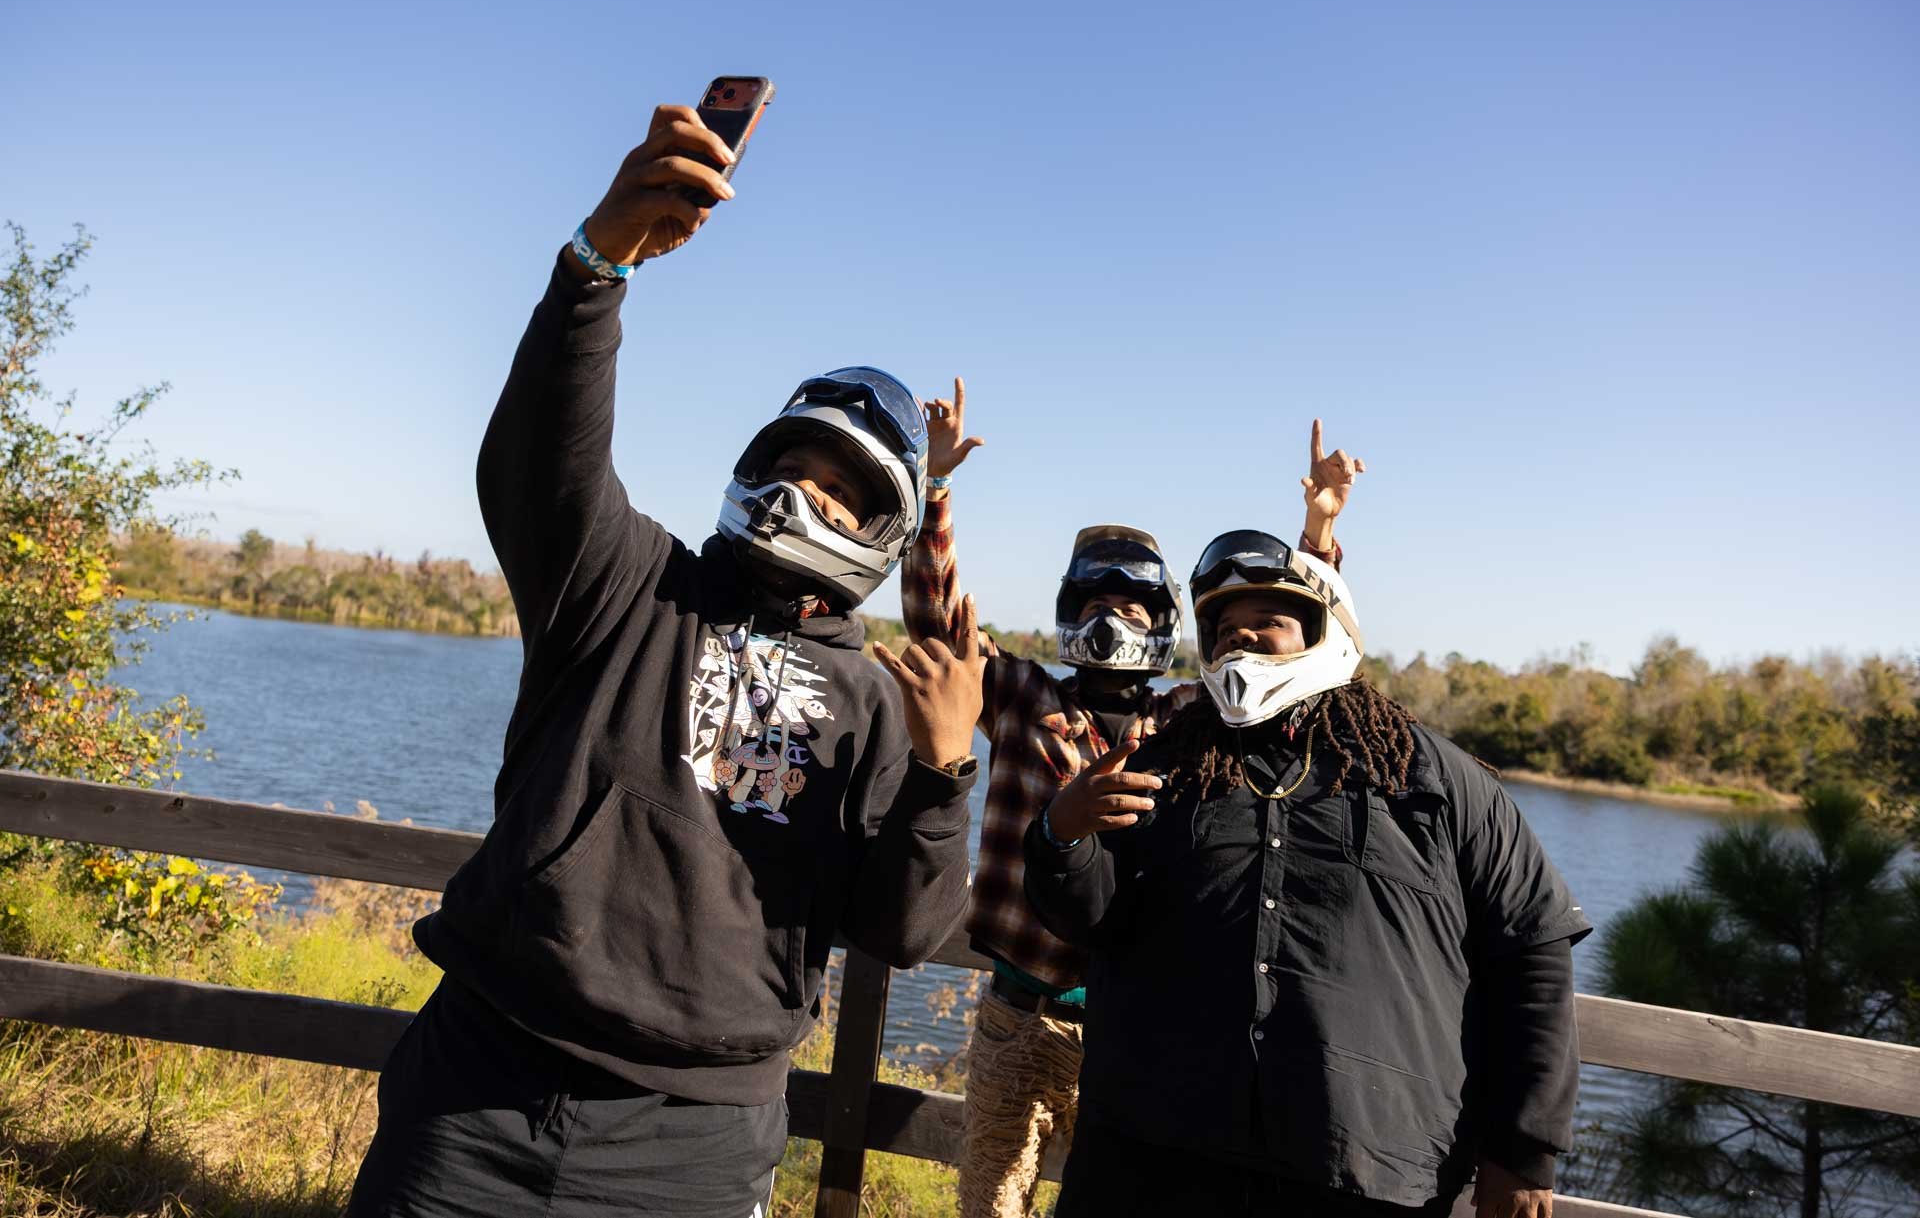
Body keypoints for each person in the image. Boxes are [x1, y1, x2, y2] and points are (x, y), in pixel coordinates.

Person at [347, 104, 984, 1218]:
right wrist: (596, 268)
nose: (804, 491)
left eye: (841, 485)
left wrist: (942, 775)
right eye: (788, 461)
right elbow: (548, 456)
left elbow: (904, 928)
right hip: (482, 1085)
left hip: (696, 1139)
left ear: (883, 525)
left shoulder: (879, 703)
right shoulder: (632, 583)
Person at [1025, 530, 1589, 1218]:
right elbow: (1085, 917)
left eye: (1270, 620)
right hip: (1147, 1161)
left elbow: (1532, 952)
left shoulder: (1443, 781)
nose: (1244, 637)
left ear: (1328, 631)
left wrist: (1524, 1151)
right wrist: (1061, 835)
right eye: (1226, 626)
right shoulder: (1158, 765)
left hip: (1366, 1174)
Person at [901, 386, 1364, 1218]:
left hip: (1135, 1027)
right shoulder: (1022, 695)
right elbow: (942, 630)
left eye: (1131, 608)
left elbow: (1297, 650)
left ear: (1161, 622)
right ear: (1066, 615)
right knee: (988, 1204)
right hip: (1017, 1015)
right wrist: (936, 490)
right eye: (1094, 607)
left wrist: (1319, 535)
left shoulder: (1192, 716)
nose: (1111, 621)